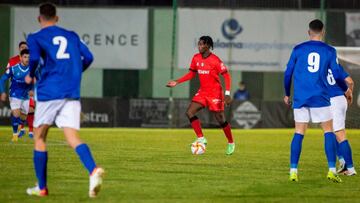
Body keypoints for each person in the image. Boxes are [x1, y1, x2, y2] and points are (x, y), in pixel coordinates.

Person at [25, 3, 104, 197]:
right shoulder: (71, 35)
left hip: (49, 91)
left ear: (39, 18)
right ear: (57, 18)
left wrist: (30, 75)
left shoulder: (35, 37)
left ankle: (42, 188)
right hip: (71, 92)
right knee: (72, 137)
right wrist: (74, 73)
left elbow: (33, 58)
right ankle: (93, 170)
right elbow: (89, 57)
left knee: (39, 137)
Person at [283, 19, 352, 183]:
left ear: (309, 32)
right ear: (323, 32)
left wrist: (287, 93)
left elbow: (287, 73)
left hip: (300, 96)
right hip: (320, 96)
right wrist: (345, 89)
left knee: (299, 132)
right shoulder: (329, 50)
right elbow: (336, 74)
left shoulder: (298, 49)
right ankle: (331, 170)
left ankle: (293, 171)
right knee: (328, 131)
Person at [166, 36, 235, 155]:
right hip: (203, 92)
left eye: (202, 44)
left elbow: (226, 76)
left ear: (208, 45)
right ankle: (201, 138)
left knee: (220, 119)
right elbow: (191, 74)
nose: (199, 46)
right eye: (198, 44)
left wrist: (227, 94)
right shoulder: (196, 58)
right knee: (189, 112)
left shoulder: (215, 60)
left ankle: (231, 142)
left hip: (215, 92)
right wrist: (177, 81)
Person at [326, 65, 357, 176]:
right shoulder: (336, 66)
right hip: (341, 100)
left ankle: (350, 168)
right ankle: (343, 163)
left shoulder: (320, 67)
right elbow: (351, 82)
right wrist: (349, 95)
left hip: (331, 101)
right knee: (334, 132)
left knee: (339, 133)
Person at [0, 49, 33, 142]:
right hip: (14, 94)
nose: (27, 59)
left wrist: (33, 90)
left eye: (29, 57)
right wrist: (2, 92)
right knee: (16, 114)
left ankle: (20, 127)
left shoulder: (33, 69)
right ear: (21, 58)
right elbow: (2, 80)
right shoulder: (13, 69)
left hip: (26, 96)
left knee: (23, 117)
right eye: (25, 57)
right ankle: (15, 135)